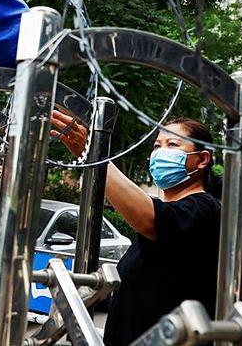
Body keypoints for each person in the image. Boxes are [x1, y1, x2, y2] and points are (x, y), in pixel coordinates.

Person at [51, 112, 222, 346]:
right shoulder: (161, 220)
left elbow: (149, 218)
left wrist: (94, 154)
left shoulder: (204, 210)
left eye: (172, 144)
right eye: (156, 146)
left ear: (202, 159)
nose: (160, 153)